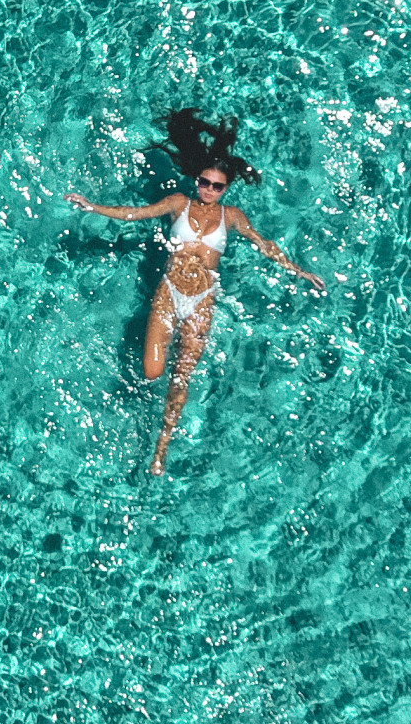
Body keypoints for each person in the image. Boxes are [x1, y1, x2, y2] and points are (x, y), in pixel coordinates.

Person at [67, 109, 324, 475]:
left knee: (181, 376)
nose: (209, 190)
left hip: (203, 300)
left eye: (217, 186)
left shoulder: (232, 216)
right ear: (197, 179)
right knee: (152, 371)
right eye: (205, 182)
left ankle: (160, 451)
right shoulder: (178, 203)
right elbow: (135, 213)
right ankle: (148, 407)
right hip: (170, 290)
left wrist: (299, 271)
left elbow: (264, 244)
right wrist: (93, 206)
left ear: (226, 189)